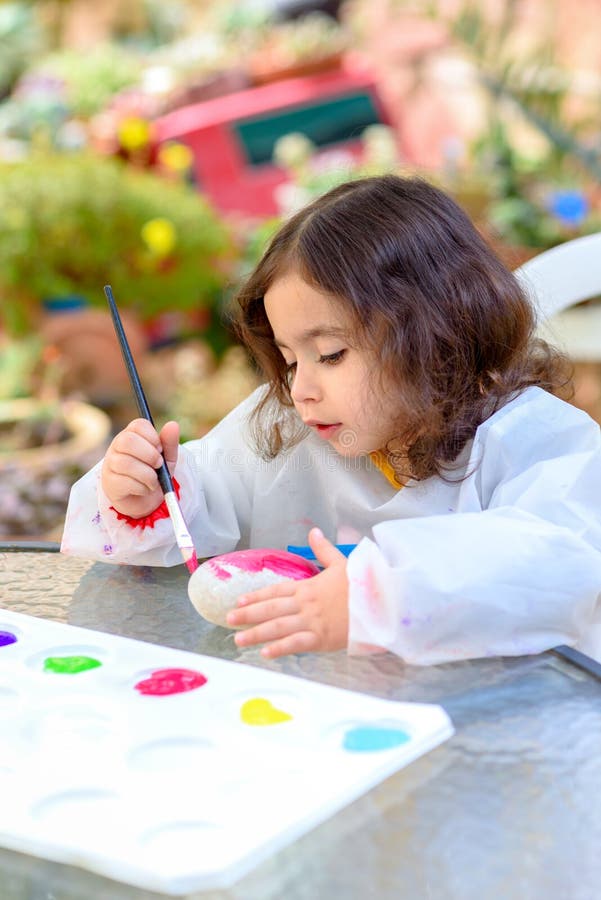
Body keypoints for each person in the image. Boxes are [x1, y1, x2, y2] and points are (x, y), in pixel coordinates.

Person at [61, 174, 601, 664]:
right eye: (291, 360)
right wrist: (148, 497)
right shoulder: (287, 429)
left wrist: (380, 595)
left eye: (331, 354)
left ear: (435, 334)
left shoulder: (536, 441)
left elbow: (562, 563)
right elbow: (209, 493)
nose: (301, 390)